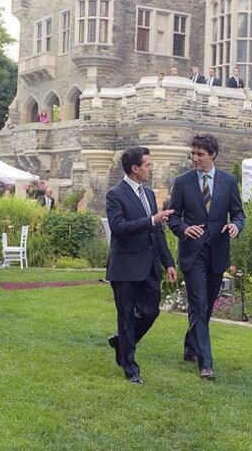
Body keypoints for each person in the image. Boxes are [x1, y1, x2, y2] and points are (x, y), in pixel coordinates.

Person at [167, 134, 244, 380]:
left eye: (200, 154)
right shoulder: (182, 182)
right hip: (193, 254)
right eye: (193, 154)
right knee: (199, 304)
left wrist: (236, 226)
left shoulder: (228, 181)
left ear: (212, 155)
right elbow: (173, 217)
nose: (195, 158)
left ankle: (191, 347)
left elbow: (238, 214)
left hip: (217, 253)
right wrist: (184, 229)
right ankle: (206, 364)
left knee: (206, 306)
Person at [105, 147, 177, 384]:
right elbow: (118, 228)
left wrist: (168, 263)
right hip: (125, 266)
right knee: (126, 317)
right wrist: (151, 220)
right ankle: (131, 368)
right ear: (135, 168)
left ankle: (121, 342)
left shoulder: (148, 194)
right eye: (148, 165)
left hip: (149, 266)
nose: (151, 168)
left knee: (151, 312)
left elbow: (157, 231)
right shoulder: (115, 195)